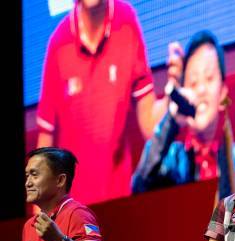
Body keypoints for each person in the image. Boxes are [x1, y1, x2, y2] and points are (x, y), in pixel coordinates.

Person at [36, 0, 168, 204]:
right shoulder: (58, 43)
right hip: (70, 211)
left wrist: (172, 93)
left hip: (120, 204)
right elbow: (45, 140)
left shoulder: (127, 21)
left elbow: (149, 126)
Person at [131, 29, 235, 199]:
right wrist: (171, 121)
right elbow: (138, 185)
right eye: (193, 82)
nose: (201, 90)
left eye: (209, 78)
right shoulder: (172, 160)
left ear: (223, 93)